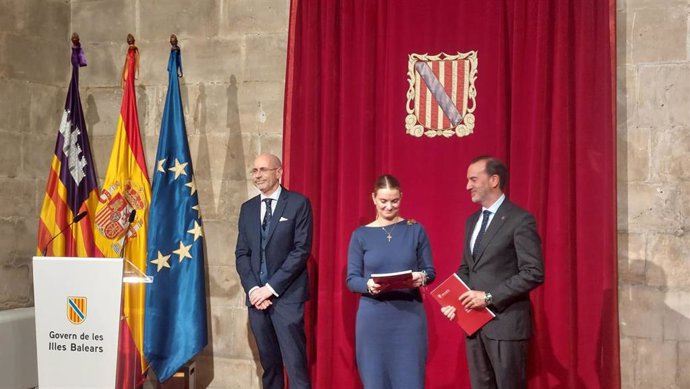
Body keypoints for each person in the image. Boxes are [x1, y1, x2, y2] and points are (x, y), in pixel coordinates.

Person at [441, 156, 545, 389]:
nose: (468, 186)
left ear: (494, 180)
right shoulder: (472, 221)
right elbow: (467, 268)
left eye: (473, 179)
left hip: (506, 326)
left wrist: (488, 297)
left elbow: (533, 272)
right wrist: (454, 303)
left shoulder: (520, 220)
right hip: (474, 325)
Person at [346, 174, 436, 389]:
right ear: (374, 199)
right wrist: (368, 284)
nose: (389, 206)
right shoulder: (360, 235)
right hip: (373, 318)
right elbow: (352, 280)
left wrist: (420, 277)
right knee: (376, 381)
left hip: (408, 318)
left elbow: (430, 271)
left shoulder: (415, 229)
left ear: (401, 198)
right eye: (383, 201)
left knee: (410, 381)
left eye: (394, 201)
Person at [235, 153, 313, 389]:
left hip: (286, 298)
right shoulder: (247, 209)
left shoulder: (298, 204)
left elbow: (301, 251)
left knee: (296, 366)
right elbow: (242, 254)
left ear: (279, 172)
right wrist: (253, 290)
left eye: (263, 170)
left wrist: (269, 289)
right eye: (254, 170)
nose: (257, 175)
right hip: (257, 301)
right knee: (270, 367)